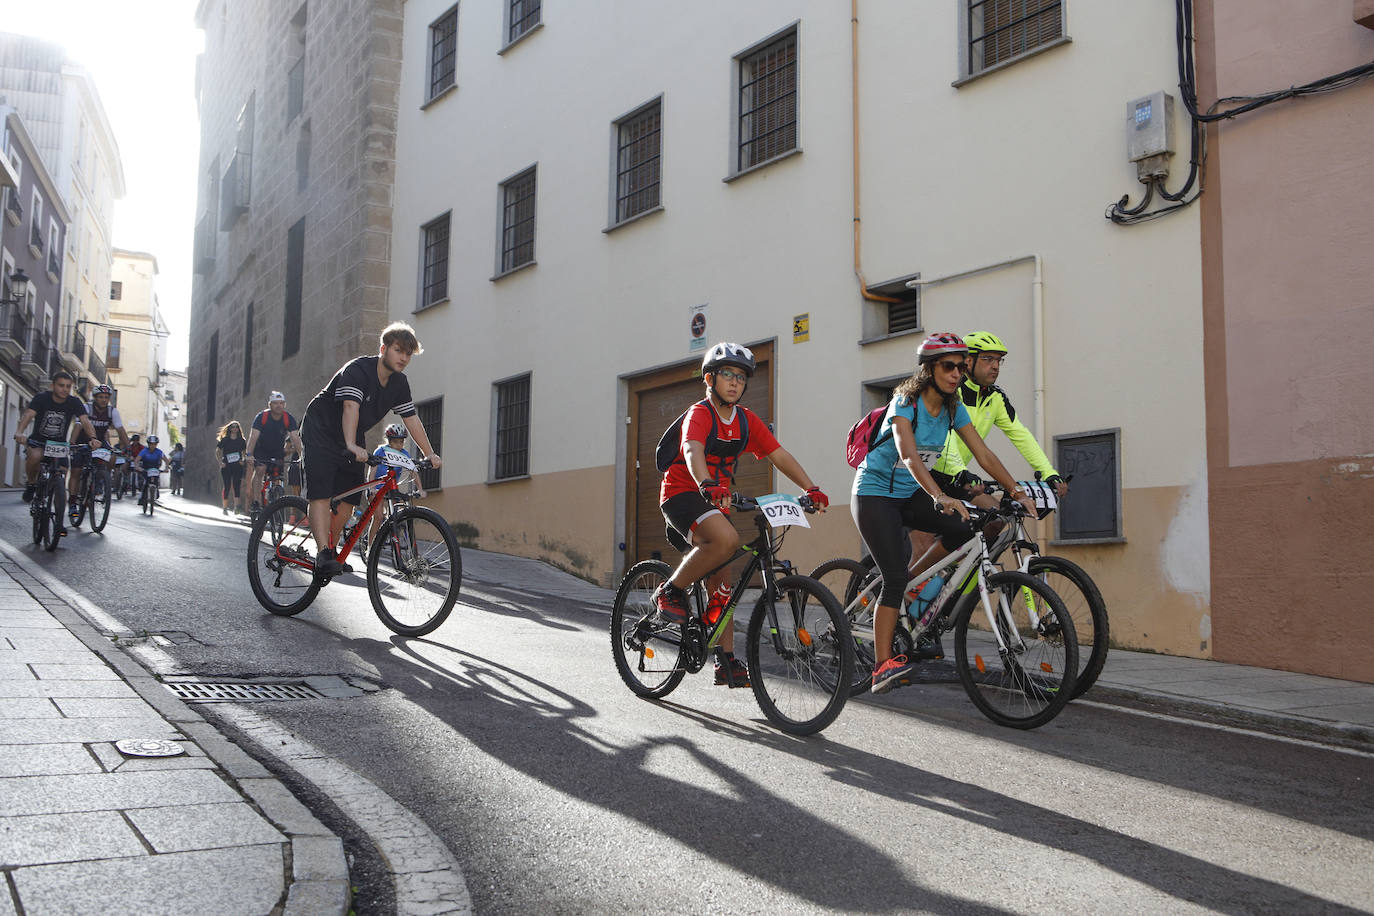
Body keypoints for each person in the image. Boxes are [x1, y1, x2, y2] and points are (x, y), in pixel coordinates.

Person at [850, 333, 1035, 695]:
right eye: (949, 366)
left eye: (962, 367)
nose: (957, 373)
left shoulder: (953, 408)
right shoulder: (906, 401)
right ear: (929, 369)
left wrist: (1016, 490)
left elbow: (984, 454)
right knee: (892, 577)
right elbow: (908, 454)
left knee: (966, 529)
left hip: (910, 494)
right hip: (875, 494)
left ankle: (916, 586)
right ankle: (881, 665)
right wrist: (938, 495)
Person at [652, 342, 829, 688]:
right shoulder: (700, 414)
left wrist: (811, 488)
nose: (735, 382)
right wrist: (705, 481)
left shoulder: (746, 421)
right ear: (710, 378)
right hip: (682, 493)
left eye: (741, 377)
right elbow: (692, 449)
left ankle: (725, 660)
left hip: (715, 501)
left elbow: (778, 454)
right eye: (727, 375)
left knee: (723, 588)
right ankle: (670, 591)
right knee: (728, 540)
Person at [301, 322, 441, 579]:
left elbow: (411, 419)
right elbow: (350, 408)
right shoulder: (358, 370)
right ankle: (322, 553)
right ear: (383, 349)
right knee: (320, 493)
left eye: (408, 354)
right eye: (398, 350)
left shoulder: (399, 383)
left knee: (350, 499)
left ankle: (330, 549)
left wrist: (429, 453)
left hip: (351, 434)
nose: (403, 358)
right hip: (320, 428)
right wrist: (352, 445)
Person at [932, 330, 1068, 504]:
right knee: (931, 527)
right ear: (968, 361)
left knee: (997, 518)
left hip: (959, 477)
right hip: (925, 475)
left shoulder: (995, 397)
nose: (995, 366)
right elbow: (943, 437)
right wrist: (959, 470)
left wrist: (1047, 471)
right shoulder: (950, 392)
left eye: (998, 360)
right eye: (988, 359)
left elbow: (1020, 435)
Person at [13, 371, 101, 538]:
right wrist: (19, 432)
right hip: (39, 442)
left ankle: (59, 523)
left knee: (61, 476)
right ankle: (31, 484)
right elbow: (28, 415)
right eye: (61, 385)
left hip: (59, 445)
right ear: (53, 386)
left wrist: (93, 438)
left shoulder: (74, 402)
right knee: (35, 457)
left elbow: (85, 421)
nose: (64, 389)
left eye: (68, 386)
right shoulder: (41, 398)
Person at [66, 383, 130, 524]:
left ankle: (100, 478)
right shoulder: (86, 408)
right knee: (76, 471)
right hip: (83, 442)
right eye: (100, 397)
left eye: (106, 397)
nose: (103, 399)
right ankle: (72, 501)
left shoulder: (112, 412)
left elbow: (120, 430)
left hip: (100, 442)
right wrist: (72, 443)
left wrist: (128, 447)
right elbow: (78, 426)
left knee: (113, 457)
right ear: (95, 397)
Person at [245, 392, 303, 513]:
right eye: (275, 403)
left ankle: (275, 503)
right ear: (270, 405)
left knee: (277, 477)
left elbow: (295, 438)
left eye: (281, 403)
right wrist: (249, 454)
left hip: (277, 451)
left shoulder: (288, 418)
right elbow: (253, 436)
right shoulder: (262, 417)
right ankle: (256, 502)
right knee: (260, 470)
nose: (279, 406)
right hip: (261, 450)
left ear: (285, 405)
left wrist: (302, 456)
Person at [216, 421, 249, 515]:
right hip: (226, 466)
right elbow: (217, 451)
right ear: (230, 429)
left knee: (236, 486)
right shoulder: (225, 440)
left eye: (236, 427)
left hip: (237, 466)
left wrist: (243, 460)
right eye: (233, 427)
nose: (235, 429)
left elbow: (245, 452)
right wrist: (220, 462)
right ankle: (225, 508)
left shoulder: (241, 440)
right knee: (227, 486)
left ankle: (236, 508)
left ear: (238, 429)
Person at [135, 435, 168, 506]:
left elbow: (166, 460)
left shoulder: (159, 452)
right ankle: (141, 497)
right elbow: (137, 460)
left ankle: (156, 492)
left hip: (155, 469)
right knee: (144, 482)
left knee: (156, 481)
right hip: (146, 469)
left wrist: (166, 468)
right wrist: (137, 467)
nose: (152, 446)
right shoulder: (144, 451)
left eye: (154, 444)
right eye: (151, 444)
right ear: (148, 444)